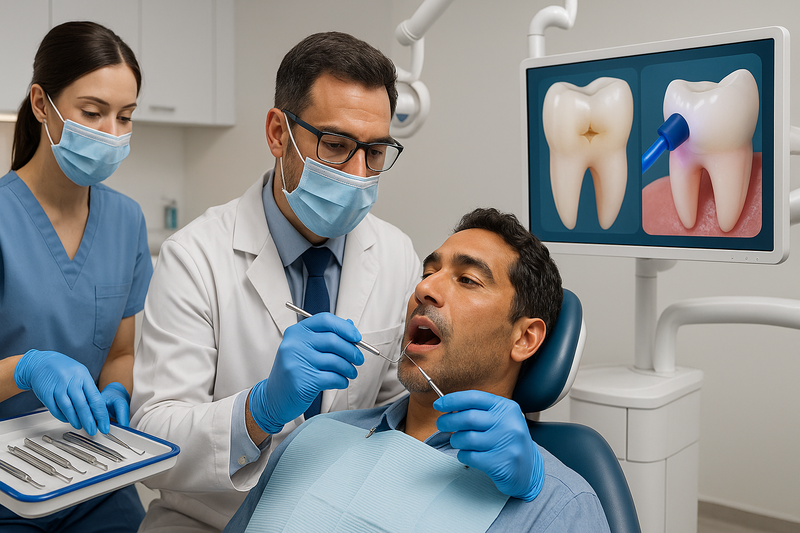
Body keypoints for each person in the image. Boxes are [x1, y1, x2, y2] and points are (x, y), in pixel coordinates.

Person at [130, 32, 421, 531]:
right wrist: (259, 411)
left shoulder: (396, 255)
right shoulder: (195, 257)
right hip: (209, 520)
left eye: (374, 152)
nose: (357, 173)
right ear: (277, 134)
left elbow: (400, 413)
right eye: (335, 145)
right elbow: (154, 440)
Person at [222, 207, 611, 532]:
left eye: (467, 279)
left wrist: (539, 490)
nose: (424, 289)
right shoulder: (313, 436)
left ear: (524, 338)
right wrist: (261, 410)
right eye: (428, 273)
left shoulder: (558, 503)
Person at [0, 21, 152, 531]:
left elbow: (121, 351)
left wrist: (116, 390)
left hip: (90, 471)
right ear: (42, 105)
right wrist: (26, 369)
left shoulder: (127, 220)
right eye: (92, 113)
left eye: (125, 116)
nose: (112, 133)